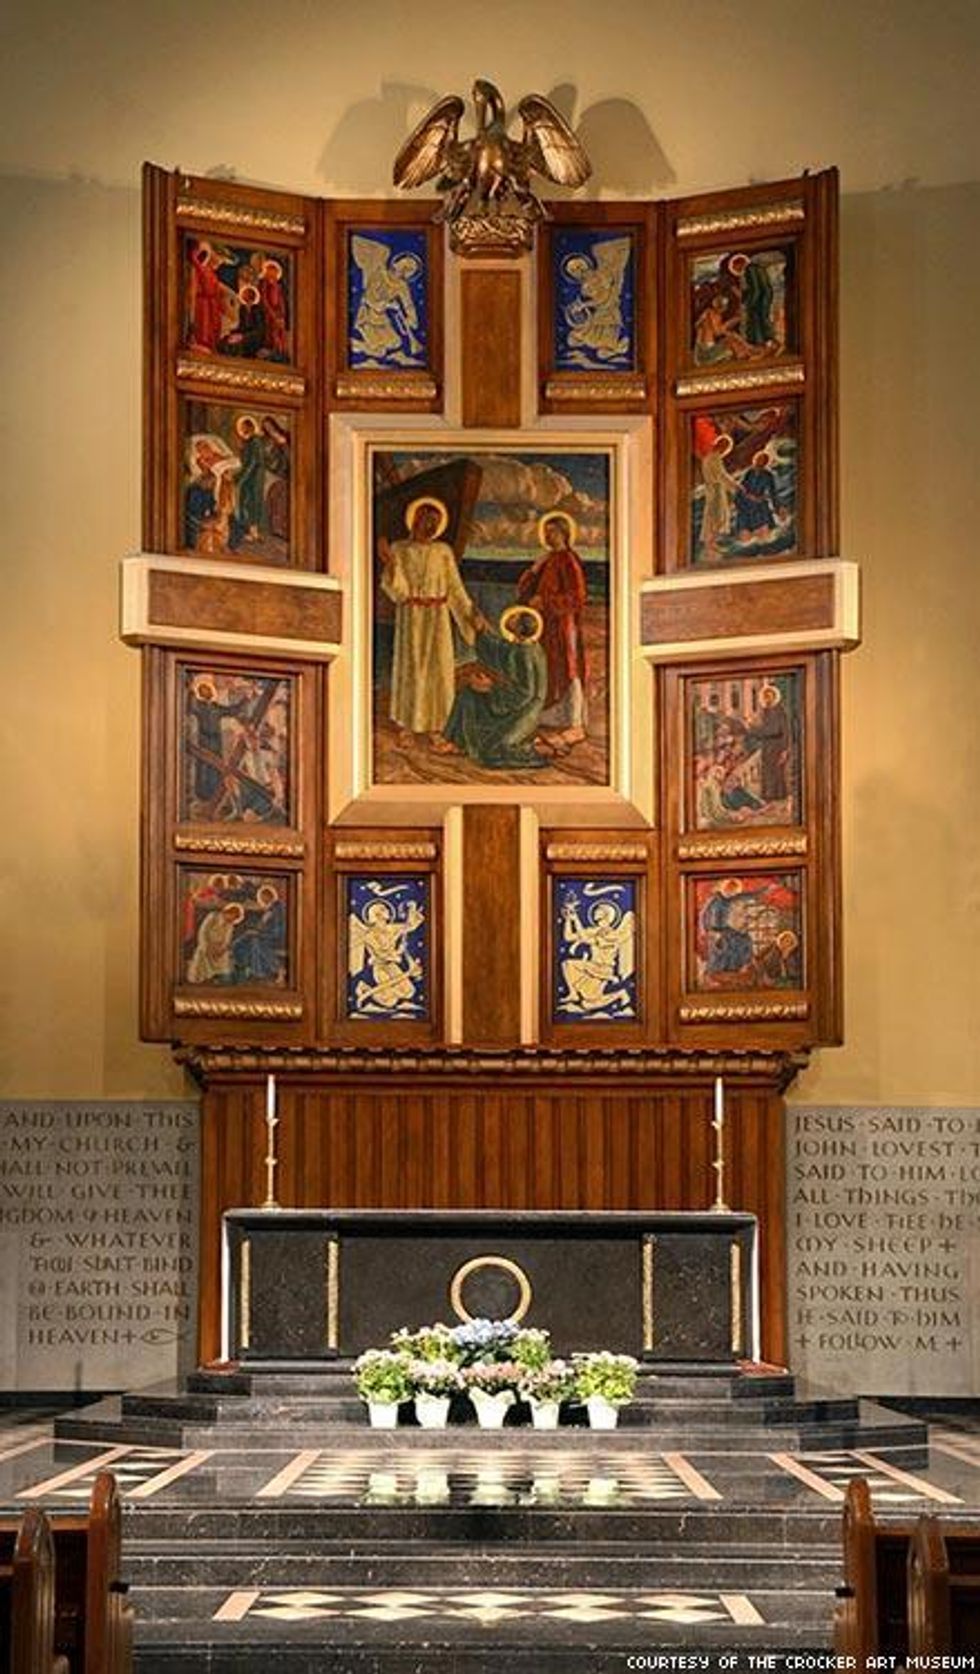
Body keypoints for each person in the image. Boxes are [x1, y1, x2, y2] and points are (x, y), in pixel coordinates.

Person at [378, 496, 478, 746]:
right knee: (412, 668)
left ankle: (437, 726)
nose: (431, 526)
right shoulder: (400, 549)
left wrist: (470, 615)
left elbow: (455, 588)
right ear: (415, 520)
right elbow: (396, 591)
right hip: (412, 617)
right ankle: (409, 726)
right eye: (426, 520)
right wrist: (390, 563)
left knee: (438, 669)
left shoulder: (443, 551)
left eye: (436, 521)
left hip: (438, 618)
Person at [441, 605, 550, 770]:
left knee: (493, 751)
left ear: (520, 628)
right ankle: (456, 742)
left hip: (521, 712)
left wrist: (489, 688)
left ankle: (464, 743)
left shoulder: (527, 654)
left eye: (515, 618)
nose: (509, 618)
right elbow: (499, 650)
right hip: (508, 702)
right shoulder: (519, 646)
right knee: (467, 693)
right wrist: (482, 630)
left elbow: (525, 695)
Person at [516, 512, 588, 748]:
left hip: (563, 625)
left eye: (553, 530)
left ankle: (575, 723)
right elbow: (523, 591)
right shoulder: (546, 559)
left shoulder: (569, 559)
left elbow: (577, 597)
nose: (548, 535)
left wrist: (546, 602)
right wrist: (534, 570)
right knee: (547, 669)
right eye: (546, 531)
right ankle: (550, 719)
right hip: (545, 626)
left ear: (565, 534)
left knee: (568, 669)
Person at [558, 895, 635, 1014]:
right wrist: (568, 919)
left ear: (606, 914)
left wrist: (576, 919)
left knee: (568, 964)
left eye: (599, 909)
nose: (595, 911)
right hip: (592, 966)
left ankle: (573, 993)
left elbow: (585, 938)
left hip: (603, 969)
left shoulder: (612, 935)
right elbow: (568, 937)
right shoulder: (593, 931)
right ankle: (619, 994)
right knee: (588, 1003)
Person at [348, 897, 424, 1014]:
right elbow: (380, 954)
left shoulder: (392, 928)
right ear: (378, 915)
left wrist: (412, 908)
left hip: (393, 967)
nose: (388, 911)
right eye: (385, 910)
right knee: (390, 1002)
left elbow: (410, 926)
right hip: (381, 967)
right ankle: (365, 988)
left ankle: (383, 993)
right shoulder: (370, 934)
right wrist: (397, 954)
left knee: (409, 992)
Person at [698, 433, 737, 559]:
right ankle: (710, 545)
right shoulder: (714, 458)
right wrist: (735, 487)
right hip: (716, 490)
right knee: (717, 517)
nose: (725, 451)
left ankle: (712, 543)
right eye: (725, 447)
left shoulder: (711, 457)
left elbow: (721, 475)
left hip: (714, 490)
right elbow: (722, 476)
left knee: (716, 516)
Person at [735, 450, 782, 545]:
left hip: (760, 506)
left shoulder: (768, 475)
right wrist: (745, 498)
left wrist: (777, 508)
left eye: (762, 460)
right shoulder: (749, 473)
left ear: (765, 463)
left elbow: (773, 493)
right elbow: (741, 489)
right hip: (746, 506)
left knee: (763, 535)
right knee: (745, 536)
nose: (758, 462)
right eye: (758, 459)